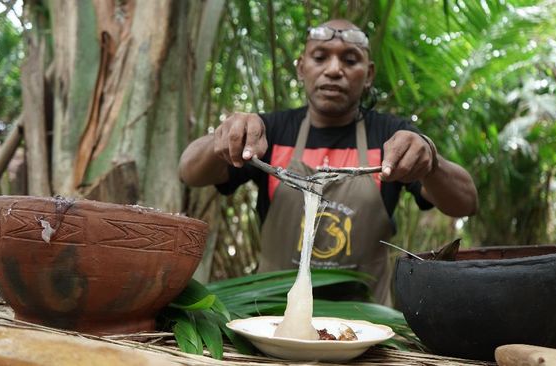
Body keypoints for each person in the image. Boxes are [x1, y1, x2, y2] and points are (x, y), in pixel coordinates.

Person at [179, 19, 478, 305]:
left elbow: (466, 204)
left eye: (350, 60)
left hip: (364, 325)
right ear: (301, 67)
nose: (334, 70)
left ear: (369, 74)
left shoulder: (390, 137)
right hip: (269, 318)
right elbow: (189, 171)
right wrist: (224, 135)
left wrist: (431, 161)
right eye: (320, 57)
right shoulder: (270, 132)